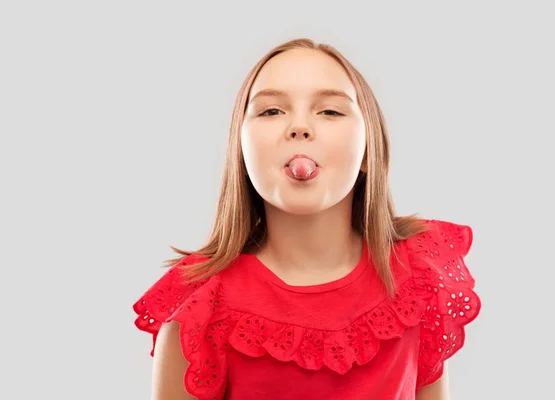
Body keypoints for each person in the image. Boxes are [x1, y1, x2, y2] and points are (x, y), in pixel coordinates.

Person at [132, 37, 481, 400]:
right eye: (271, 111)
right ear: (242, 151)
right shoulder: (200, 309)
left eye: (330, 111)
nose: (299, 128)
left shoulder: (419, 279)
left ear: (368, 150)